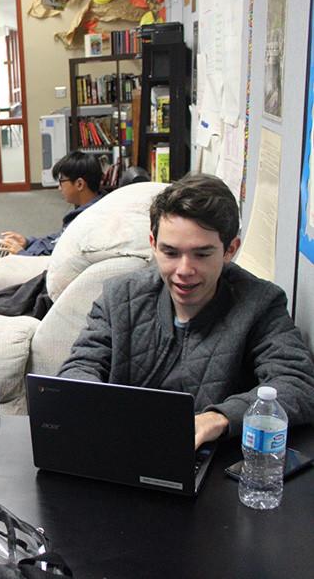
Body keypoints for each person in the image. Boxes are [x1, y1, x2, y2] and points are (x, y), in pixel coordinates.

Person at [58, 175, 314, 449]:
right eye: (170, 252)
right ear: (153, 244)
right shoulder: (119, 296)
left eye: (202, 255)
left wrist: (218, 418)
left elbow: (297, 384)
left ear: (230, 250)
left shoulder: (260, 303)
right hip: (121, 450)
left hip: (208, 466)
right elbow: (79, 367)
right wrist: (95, 403)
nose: (184, 271)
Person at [0, 151, 103, 305]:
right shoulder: (93, 208)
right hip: (29, 256)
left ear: (80, 184)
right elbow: (57, 240)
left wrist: (21, 254)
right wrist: (27, 241)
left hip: (29, 271)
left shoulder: (85, 221)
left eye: (62, 181)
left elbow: (58, 263)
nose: (59, 188)